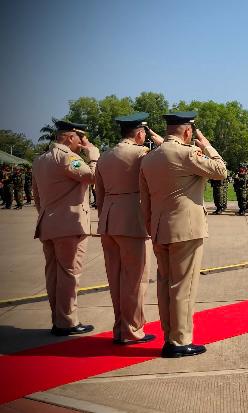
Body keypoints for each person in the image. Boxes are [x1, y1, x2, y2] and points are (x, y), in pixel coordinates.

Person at [139, 112, 227, 358]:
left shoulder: (149, 158)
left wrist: (150, 225)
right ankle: (180, 341)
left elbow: (144, 199)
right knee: (183, 288)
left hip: (159, 228)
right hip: (186, 230)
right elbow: (221, 171)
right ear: (187, 132)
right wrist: (207, 145)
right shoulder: (187, 154)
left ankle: (169, 337)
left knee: (166, 286)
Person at [96, 112, 163, 345]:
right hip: (132, 220)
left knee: (115, 279)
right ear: (139, 133)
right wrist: (158, 139)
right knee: (135, 280)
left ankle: (119, 328)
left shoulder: (104, 156)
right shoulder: (142, 153)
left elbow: (100, 193)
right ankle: (133, 330)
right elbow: (170, 154)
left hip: (108, 220)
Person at [32, 119, 99, 336]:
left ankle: (58, 319)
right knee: (70, 274)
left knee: (53, 274)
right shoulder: (68, 158)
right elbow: (93, 177)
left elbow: (37, 197)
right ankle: (67, 322)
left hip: (48, 225)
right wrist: (94, 155)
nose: (82, 142)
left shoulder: (40, 160)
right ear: (70, 137)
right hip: (69, 226)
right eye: (80, 138)